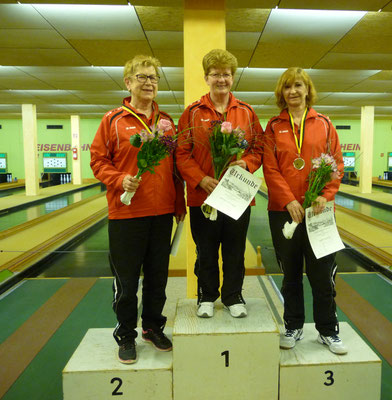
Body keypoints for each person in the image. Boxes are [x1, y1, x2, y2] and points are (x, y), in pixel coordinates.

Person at [90, 55, 186, 364]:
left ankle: (152, 327)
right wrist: (119, 179)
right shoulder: (113, 120)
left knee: (158, 278)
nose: (149, 83)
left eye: (153, 78)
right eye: (142, 77)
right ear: (128, 82)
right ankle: (126, 335)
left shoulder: (166, 122)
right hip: (127, 214)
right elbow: (98, 160)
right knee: (128, 282)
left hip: (161, 215)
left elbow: (174, 168)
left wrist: (178, 201)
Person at [263, 67, 347, 354]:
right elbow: (270, 168)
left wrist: (325, 196)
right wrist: (288, 200)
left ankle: (327, 330)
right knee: (291, 274)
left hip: (319, 212)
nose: (293, 92)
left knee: (323, 275)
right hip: (283, 211)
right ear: (281, 93)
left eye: (298, 86)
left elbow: (336, 164)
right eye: (287, 87)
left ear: (307, 89)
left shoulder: (324, 124)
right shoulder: (274, 126)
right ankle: (294, 325)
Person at [176, 49, 263, 319]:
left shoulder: (247, 112)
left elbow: (259, 148)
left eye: (226, 74)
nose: (221, 79)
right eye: (215, 74)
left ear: (233, 78)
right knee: (206, 250)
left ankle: (233, 296)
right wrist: (200, 178)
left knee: (235, 251)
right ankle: (206, 296)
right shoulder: (192, 112)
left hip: (237, 196)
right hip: (204, 195)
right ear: (206, 78)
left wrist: (247, 163)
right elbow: (181, 153)